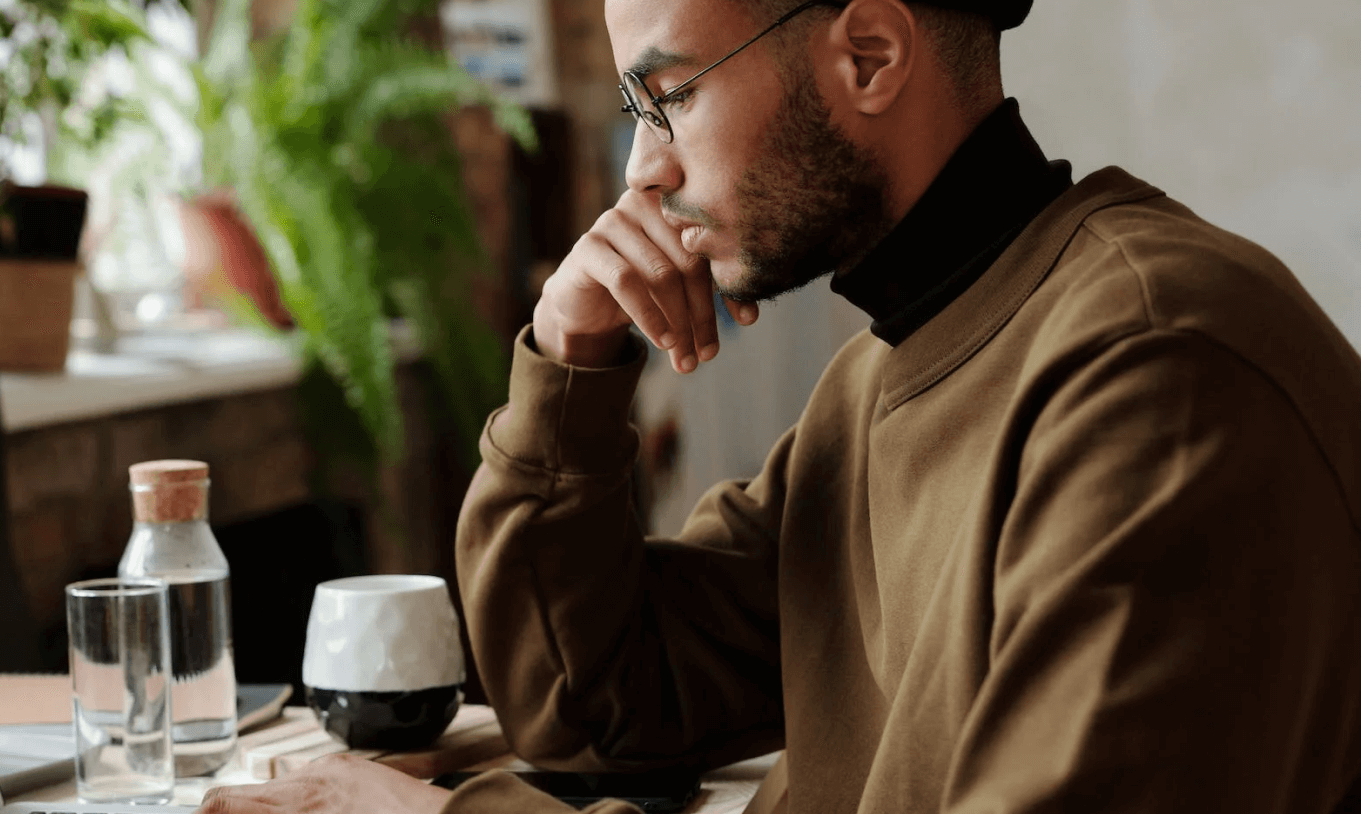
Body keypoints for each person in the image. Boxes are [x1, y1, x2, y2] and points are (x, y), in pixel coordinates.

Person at [198, 0, 1361, 811]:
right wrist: (569, 366)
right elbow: (600, 708)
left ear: (868, 56)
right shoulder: (888, 373)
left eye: (670, 98)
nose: (640, 174)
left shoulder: (1156, 373)